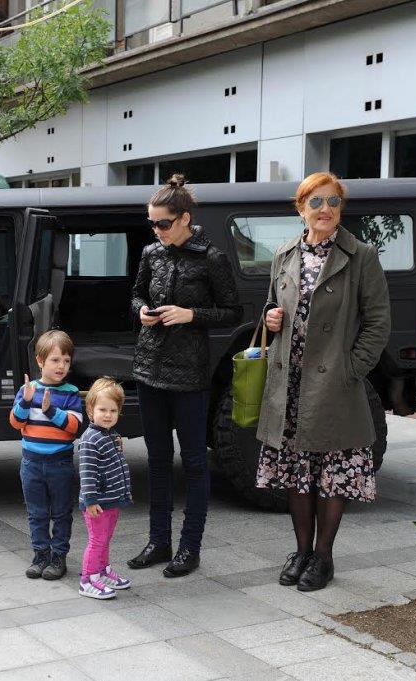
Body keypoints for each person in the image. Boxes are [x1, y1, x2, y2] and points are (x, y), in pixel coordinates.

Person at [256, 172, 390, 592]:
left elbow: (378, 322)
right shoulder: (284, 254)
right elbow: (273, 307)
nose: (325, 210)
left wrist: (352, 370)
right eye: (316, 202)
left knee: (332, 475)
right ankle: (300, 551)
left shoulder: (361, 255)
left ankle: (324, 557)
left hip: (335, 385)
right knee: (298, 475)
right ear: (301, 209)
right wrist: (270, 317)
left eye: (332, 202)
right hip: (290, 385)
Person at [127, 174, 242, 579]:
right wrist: (142, 311)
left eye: (163, 223)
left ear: (184, 218)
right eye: (152, 223)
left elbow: (232, 311)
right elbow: (136, 295)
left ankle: (189, 547)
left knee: (193, 462)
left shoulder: (211, 256)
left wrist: (191, 314)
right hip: (148, 367)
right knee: (157, 459)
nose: (156, 230)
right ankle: (159, 541)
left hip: (190, 373)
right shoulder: (150, 254)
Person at [10, 330, 84, 581]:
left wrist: (51, 411)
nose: (61, 365)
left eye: (66, 360)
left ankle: (58, 556)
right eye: (55, 360)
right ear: (40, 361)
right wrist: (24, 402)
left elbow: (74, 427)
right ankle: (40, 555)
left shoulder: (71, 392)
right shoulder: (28, 389)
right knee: (37, 513)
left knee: (62, 512)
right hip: (31, 463)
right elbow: (16, 423)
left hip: (59, 463)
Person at [77, 377, 133, 600]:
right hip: (97, 503)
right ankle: (88, 579)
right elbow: (87, 473)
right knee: (97, 540)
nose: (108, 415)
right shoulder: (91, 439)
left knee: (105, 539)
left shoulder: (110, 435)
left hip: (111, 500)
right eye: (102, 409)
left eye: (113, 410)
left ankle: (102, 571)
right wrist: (90, 500)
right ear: (91, 410)